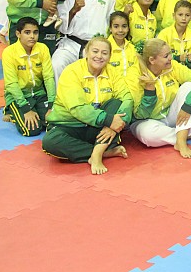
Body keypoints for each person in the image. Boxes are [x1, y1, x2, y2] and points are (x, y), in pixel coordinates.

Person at [42, 37, 133, 175]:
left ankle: (97, 153)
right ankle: (103, 152)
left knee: (116, 103)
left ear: (109, 56)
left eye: (104, 53)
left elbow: (127, 98)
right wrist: (109, 120)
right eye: (95, 51)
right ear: (86, 52)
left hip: (97, 128)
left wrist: (117, 123)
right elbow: (77, 108)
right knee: (50, 142)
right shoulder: (71, 71)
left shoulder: (113, 72)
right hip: (71, 124)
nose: (99, 56)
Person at [127, 38, 191, 158]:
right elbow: (140, 115)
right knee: (148, 135)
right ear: (152, 60)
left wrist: (187, 107)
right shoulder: (134, 75)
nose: (171, 58)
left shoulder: (172, 66)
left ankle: (181, 142)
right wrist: (150, 91)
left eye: (170, 53)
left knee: (189, 86)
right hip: (147, 120)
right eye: (166, 56)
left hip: (172, 114)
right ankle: (187, 135)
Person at [52, 0, 116, 82]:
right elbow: (61, 26)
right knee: (57, 63)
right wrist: (73, 10)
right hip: (71, 45)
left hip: (97, 46)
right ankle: (60, 95)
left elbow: (112, 21)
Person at [2, 17, 55, 136]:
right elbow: (11, 83)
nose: (32, 36)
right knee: (32, 130)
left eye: (35, 32)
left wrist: (51, 105)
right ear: (18, 34)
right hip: (19, 96)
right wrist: (26, 110)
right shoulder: (9, 52)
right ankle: (11, 109)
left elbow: (49, 77)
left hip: (39, 93)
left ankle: (36, 111)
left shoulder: (43, 48)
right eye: (27, 32)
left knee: (53, 124)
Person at [107, 11, 138, 77]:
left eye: (124, 26)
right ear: (110, 28)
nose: (120, 30)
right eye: (116, 26)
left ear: (128, 28)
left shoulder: (132, 48)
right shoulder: (105, 48)